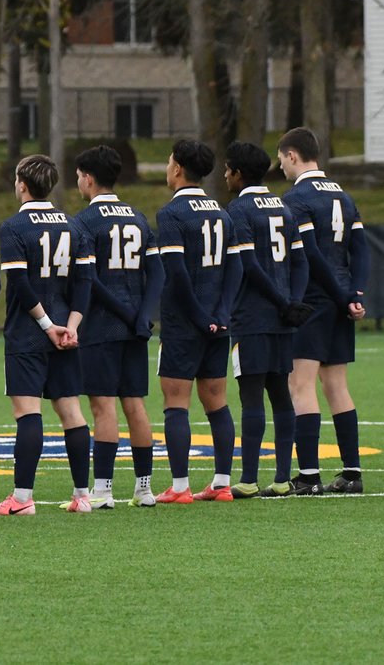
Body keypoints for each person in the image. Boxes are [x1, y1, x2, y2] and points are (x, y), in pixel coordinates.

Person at [0, 154, 95, 516]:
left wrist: (47, 326)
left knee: (27, 412)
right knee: (71, 411)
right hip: (67, 331)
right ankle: (83, 496)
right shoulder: (74, 226)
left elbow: (19, 284)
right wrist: (72, 326)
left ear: (22, 183)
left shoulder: (14, 227)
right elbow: (85, 283)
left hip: (29, 331)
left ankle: (22, 499)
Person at [278, 127, 370, 496]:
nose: (281, 165)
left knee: (300, 384)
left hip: (315, 299)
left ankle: (310, 475)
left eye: (282, 158)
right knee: (336, 385)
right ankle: (351, 473)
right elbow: (361, 249)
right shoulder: (344, 196)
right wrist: (354, 293)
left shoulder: (296, 197)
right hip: (341, 299)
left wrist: (339, 294)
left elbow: (311, 254)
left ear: (294, 156)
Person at [72, 145, 164, 509]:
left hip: (101, 325)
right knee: (135, 405)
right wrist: (142, 314)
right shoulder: (138, 217)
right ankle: (144, 488)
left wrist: (126, 314)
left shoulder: (84, 222)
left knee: (103, 407)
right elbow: (157, 271)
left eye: (79, 176)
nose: (78, 182)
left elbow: (90, 279)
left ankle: (104, 490)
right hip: (136, 325)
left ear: (89, 178)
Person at [222, 141, 311, 499]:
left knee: (251, 398)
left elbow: (248, 266)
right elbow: (301, 261)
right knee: (281, 395)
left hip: (252, 317)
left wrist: (279, 300)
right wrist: (294, 302)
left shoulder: (238, 209)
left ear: (239, 173)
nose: (225, 175)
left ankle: (248, 479)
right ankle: (282, 478)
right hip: (282, 319)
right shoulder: (284, 207)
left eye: (228, 169)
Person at [154, 139, 242, 504]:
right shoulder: (223, 213)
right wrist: (221, 314)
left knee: (176, 402)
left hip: (184, 323)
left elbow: (175, 274)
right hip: (218, 324)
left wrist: (199, 317)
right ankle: (221, 483)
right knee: (217, 402)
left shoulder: (171, 214)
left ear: (177, 168)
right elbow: (236, 268)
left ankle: (179, 488)